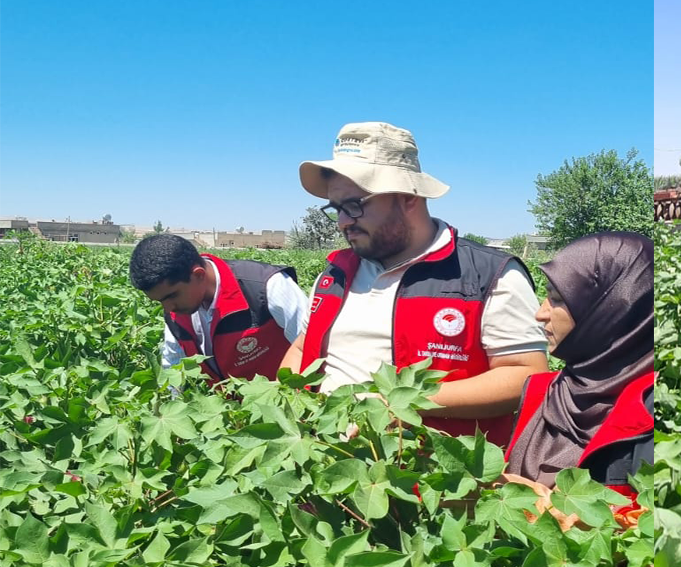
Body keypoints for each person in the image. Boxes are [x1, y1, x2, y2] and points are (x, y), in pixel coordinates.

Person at [280, 122, 548, 447]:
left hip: (430, 480)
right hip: (326, 472)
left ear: (407, 197)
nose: (343, 222)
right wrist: (287, 402)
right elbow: (302, 347)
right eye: (336, 209)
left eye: (355, 205)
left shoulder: (487, 274)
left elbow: (526, 376)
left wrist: (404, 402)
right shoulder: (335, 274)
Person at [504, 231, 653, 505]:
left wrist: (556, 511)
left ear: (610, 309)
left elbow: (649, 527)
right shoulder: (545, 391)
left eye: (557, 299)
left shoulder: (648, 406)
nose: (540, 312)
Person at [129, 234, 309, 383]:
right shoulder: (177, 311)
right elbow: (173, 366)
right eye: (159, 301)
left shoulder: (265, 286)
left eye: (172, 296)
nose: (168, 309)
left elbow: (312, 349)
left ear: (198, 274)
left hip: (282, 410)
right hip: (231, 418)